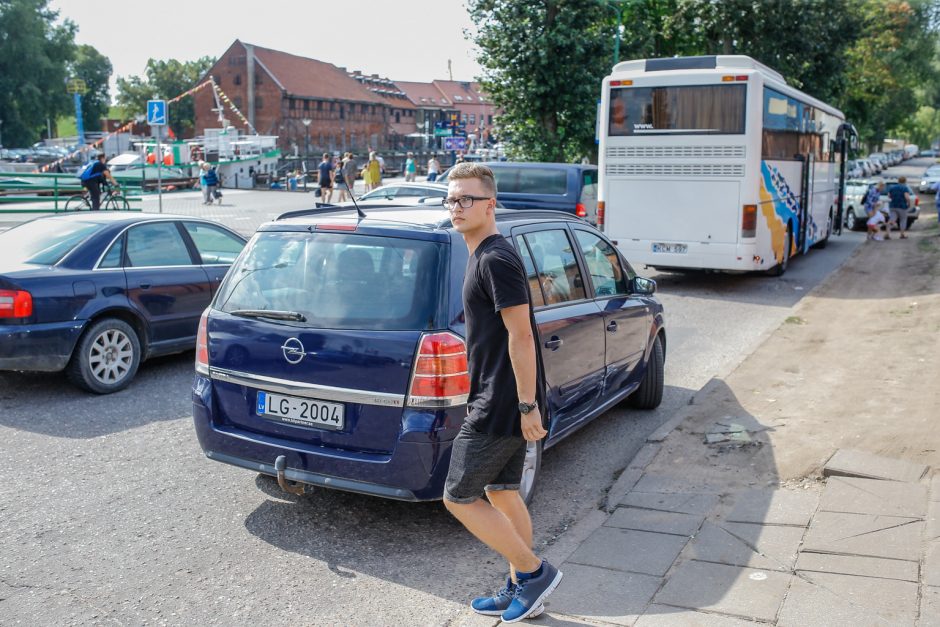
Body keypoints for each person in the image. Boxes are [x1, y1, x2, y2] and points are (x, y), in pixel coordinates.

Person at [442, 162, 562, 623]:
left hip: (503, 401)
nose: (457, 207)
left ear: (490, 204)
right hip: (500, 395)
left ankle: (533, 573)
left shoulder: (495, 258)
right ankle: (520, 587)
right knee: (504, 491)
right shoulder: (482, 254)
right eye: (452, 199)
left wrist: (527, 405)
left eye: (466, 199)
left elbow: (522, 335)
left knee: (458, 496)